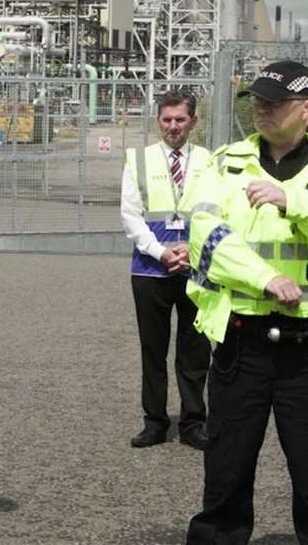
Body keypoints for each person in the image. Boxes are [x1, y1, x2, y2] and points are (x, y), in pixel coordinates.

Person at [184, 61, 308, 545]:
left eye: (276, 101)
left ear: (307, 109)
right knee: (226, 472)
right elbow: (205, 237)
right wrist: (265, 277)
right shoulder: (224, 163)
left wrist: (290, 199)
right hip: (241, 345)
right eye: (258, 100)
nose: (263, 109)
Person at [120, 90, 211, 450]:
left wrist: (194, 249)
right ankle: (154, 422)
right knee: (153, 350)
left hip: (196, 267)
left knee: (195, 351)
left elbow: (218, 208)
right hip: (150, 269)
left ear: (193, 122)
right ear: (158, 120)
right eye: (167, 119)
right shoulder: (138, 160)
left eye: (180, 119)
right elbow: (130, 214)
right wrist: (160, 252)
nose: (173, 126)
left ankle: (193, 422)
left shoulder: (209, 160)